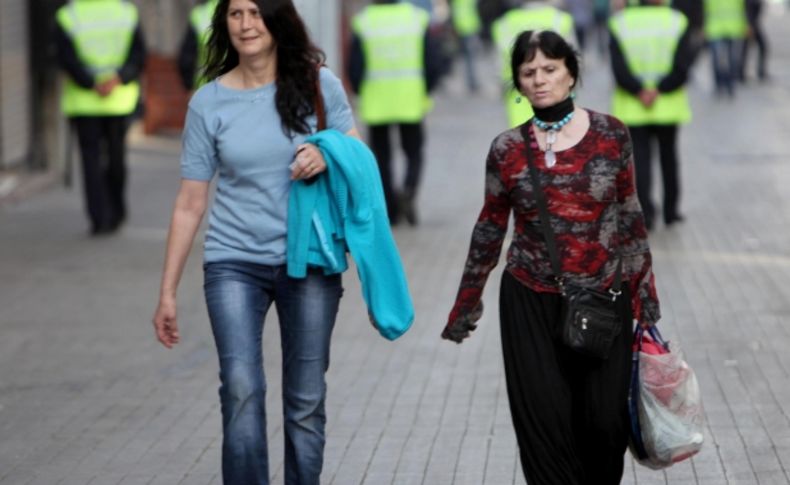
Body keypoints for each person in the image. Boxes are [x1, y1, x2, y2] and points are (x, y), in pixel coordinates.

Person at [151, 1, 360, 483]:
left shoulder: (317, 84)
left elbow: (355, 152)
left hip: (307, 260)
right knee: (241, 389)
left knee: (306, 401)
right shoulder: (208, 101)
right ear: (224, 23)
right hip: (233, 263)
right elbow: (189, 202)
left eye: (256, 12)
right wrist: (167, 292)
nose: (246, 24)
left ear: (276, 19)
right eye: (235, 14)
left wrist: (326, 155)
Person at [442, 30, 660, 484]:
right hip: (530, 300)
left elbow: (630, 218)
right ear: (519, 85)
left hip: (604, 297)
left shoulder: (611, 134)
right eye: (528, 72)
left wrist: (646, 301)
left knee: (604, 425)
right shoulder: (506, 149)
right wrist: (467, 302)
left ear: (571, 74)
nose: (540, 80)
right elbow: (489, 227)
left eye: (550, 69)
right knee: (545, 429)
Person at [54, 0, 146, 235]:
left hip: (84, 101)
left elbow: (65, 58)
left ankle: (99, 218)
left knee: (90, 162)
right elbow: (139, 55)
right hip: (118, 99)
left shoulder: (68, 14)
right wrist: (118, 78)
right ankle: (116, 212)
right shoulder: (126, 12)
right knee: (116, 160)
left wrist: (90, 82)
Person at [348, 0, 442, 226]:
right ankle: (409, 191)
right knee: (414, 152)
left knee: (382, 158)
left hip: (377, 101)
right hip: (410, 99)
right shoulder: (417, 18)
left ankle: (391, 209)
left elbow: (355, 66)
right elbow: (432, 62)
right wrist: (425, 88)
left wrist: (360, 89)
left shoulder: (363, 21)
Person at [609, 0, 692, 230]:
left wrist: (639, 90)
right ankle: (671, 211)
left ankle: (646, 213)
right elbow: (683, 67)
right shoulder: (677, 21)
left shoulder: (620, 23)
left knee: (641, 162)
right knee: (669, 159)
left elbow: (618, 69)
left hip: (634, 107)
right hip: (667, 105)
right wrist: (659, 89)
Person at [492, 0, 575, 127]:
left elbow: (499, 65)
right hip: (556, 91)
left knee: (522, 140)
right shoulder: (560, 19)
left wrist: (502, 89)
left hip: (518, 95)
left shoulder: (504, 23)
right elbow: (573, 62)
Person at [703, 0, 747, 97]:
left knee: (733, 60)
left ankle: (730, 83)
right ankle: (719, 83)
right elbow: (704, 9)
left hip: (733, 28)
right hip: (715, 29)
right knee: (717, 60)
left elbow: (744, 8)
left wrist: (746, 25)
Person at [177, 0, 219, 91]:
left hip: (204, 87)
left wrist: (189, 85)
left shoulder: (199, 14)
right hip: (239, 88)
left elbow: (186, 58)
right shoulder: (237, 11)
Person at [451, 0, 483, 92]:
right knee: (470, 58)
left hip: (464, 29)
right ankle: (472, 83)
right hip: (468, 30)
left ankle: (471, 82)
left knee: (468, 58)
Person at [740, 0, 769, 82]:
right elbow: (748, 10)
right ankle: (741, 73)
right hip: (750, 25)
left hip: (752, 24)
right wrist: (750, 26)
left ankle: (741, 73)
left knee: (745, 49)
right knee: (746, 49)